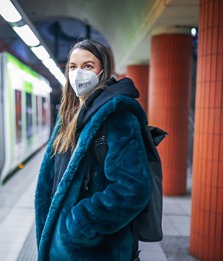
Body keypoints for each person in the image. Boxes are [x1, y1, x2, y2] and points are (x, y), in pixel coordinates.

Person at [34, 39, 152, 261]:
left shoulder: (118, 118)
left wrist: (78, 223)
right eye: (73, 67)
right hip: (63, 246)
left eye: (88, 66)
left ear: (103, 71)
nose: (79, 73)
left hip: (94, 251)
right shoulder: (68, 117)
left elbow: (133, 189)